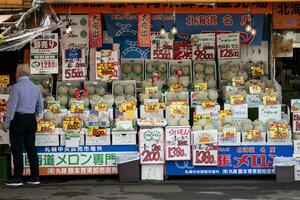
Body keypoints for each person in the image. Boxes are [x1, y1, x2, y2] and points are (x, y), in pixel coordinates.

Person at [2, 64, 43, 186]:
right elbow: (40, 106)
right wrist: (32, 116)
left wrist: (6, 123)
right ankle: (35, 177)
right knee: (31, 148)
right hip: (31, 119)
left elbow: (11, 107)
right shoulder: (35, 88)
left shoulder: (16, 87)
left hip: (18, 120)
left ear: (18, 73)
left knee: (17, 148)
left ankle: (17, 178)